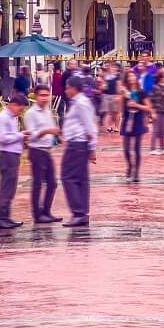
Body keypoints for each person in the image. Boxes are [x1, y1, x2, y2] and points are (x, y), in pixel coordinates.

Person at [59, 72, 98, 226]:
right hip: (78, 144)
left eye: (68, 88)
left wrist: (92, 148)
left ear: (75, 88)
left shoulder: (81, 103)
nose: (66, 91)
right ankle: (82, 213)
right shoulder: (78, 102)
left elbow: (90, 127)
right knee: (81, 179)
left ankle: (78, 212)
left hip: (77, 144)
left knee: (68, 177)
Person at [24, 82, 60, 224]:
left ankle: (46, 211)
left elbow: (52, 128)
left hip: (47, 150)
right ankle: (37, 215)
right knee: (38, 183)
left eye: (47, 95)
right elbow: (31, 136)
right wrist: (47, 131)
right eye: (42, 96)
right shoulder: (31, 114)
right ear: (36, 96)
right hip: (36, 151)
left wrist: (58, 135)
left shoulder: (47, 111)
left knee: (52, 183)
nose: (45, 98)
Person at [0, 90, 26, 230]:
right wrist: (20, 135)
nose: (20, 112)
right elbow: (3, 138)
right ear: (13, 104)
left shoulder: (12, 117)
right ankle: (0, 218)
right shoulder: (2, 118)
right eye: (20, 109)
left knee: (10, 188)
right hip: (7, 155)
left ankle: (6, 216)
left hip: (13, 155)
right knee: (6, 188)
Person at [121, 80, 150, 182]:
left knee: (136, 148)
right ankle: (129, 166)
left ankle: (136, 172)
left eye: (133, 76)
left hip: (138, 120)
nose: (131, 78)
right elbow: (120, 106)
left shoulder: (141, 93)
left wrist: (137, 105)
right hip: (127, 120)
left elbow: (148, 107)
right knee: (126, 148)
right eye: (129, 77)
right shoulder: (124, 92)